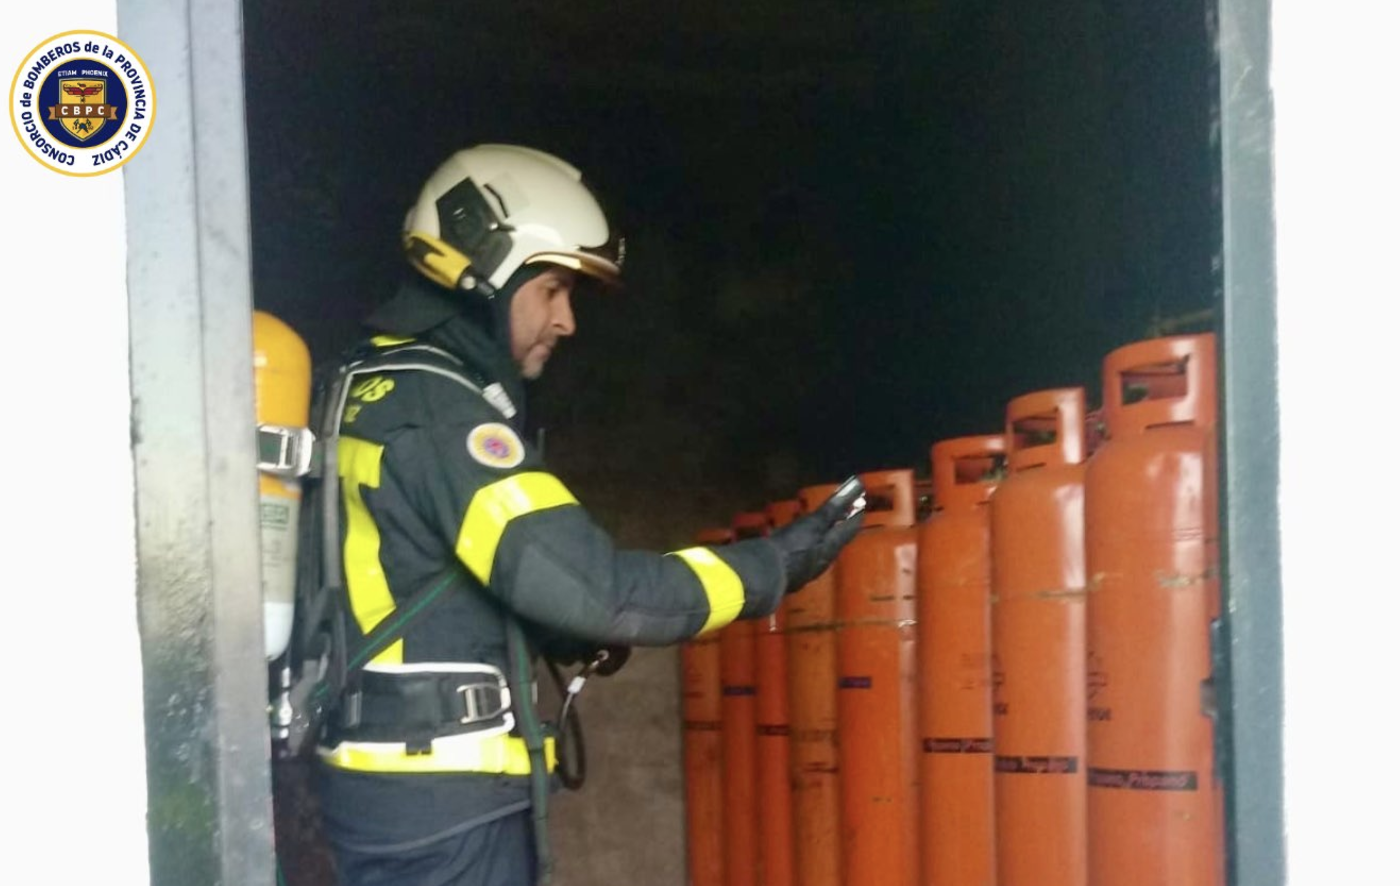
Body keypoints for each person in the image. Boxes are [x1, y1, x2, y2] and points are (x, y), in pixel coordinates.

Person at [311, 143, 864, 886]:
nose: (567, 321)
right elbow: (598, 589)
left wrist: (553, 628)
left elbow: (411, 570)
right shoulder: (445, 413)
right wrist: (770, 567)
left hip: (388, 795)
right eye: (551, 290)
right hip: (446, 815)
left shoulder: (363, 383)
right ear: (485, 278)